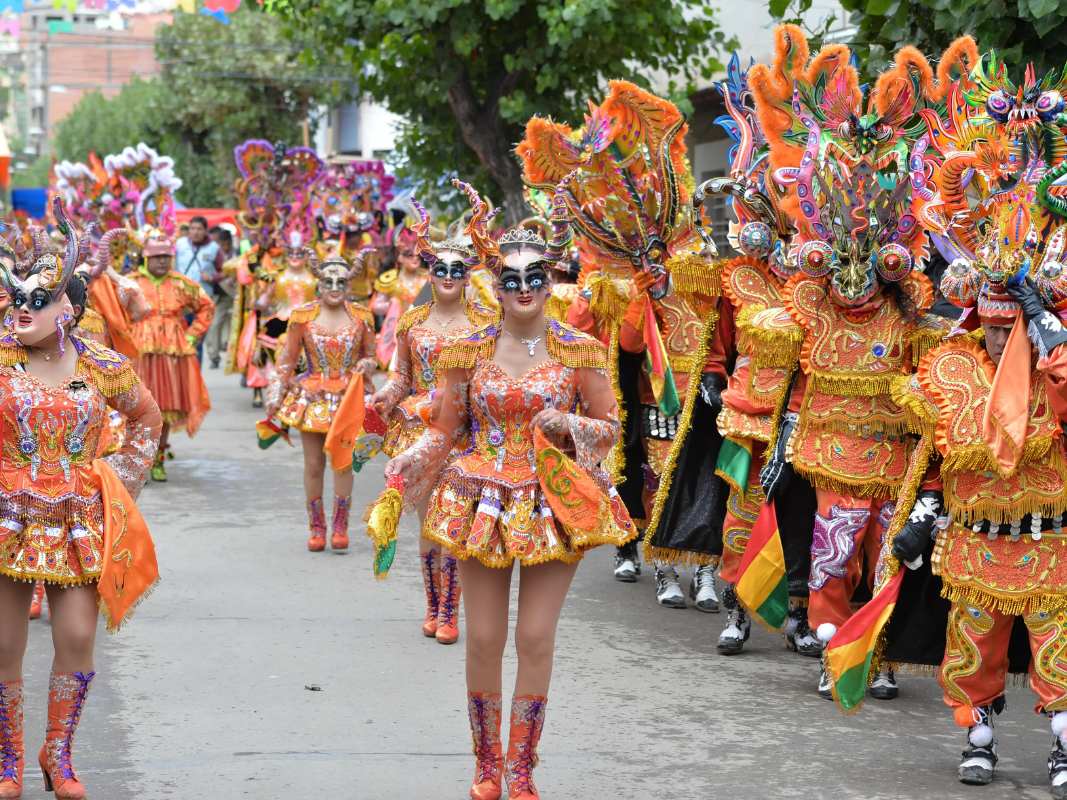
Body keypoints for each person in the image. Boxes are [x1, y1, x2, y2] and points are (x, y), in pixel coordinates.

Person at [385, 182, 636, 799]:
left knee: (534, 637)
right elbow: (444, 430)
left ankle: (522, 764)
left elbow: (609, 428)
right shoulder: (464, 351)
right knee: (485, 636)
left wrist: (567, 424)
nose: (523, 290)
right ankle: (486, 762)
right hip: (481, 501)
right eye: (511, 280)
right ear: (493, 287)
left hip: (554, 503)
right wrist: (404, 469)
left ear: (551, 284)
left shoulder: (582, 351)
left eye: (535, 279)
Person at [748, 25, 950, 699]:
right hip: (831, 453)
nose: (855, 278)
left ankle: (881, 652)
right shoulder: (809, 302)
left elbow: (944, 358)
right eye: (842, 263)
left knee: (885, 557)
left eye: (871, 265)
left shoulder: (908, 313)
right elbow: (767, 326)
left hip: (892, 458)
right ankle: (838, 651)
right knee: (833, 556)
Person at [0, 200, 161, 799]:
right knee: (3, 642)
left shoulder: (101, 365)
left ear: (68, 307)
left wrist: (116, 480)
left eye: (37, 299)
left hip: (78, 520)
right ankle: (7, 759)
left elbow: (146, 416)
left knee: (74, 638)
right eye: (16, 298)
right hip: (8, 516)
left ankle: (57, 754)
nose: (22, 308)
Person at [370, 190, 496, 644]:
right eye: (439, 269)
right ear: (429, 271)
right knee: (427, 521)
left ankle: (450, 611)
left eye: (456, 270)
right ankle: (431, 604)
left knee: (454, 520)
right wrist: (384, 395)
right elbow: (401, 375)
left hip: (466, 432)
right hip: (419, 428)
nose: (446, 276)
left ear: (467, 275)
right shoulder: (412, 322)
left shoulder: (487, 323)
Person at [266, 256, 376, 552]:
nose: (335, 287)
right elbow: (287, 360)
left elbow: (371, 356)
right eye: (329, 281)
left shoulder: (362, 317)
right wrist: (278, 390)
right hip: (313, 395)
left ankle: (340, 526)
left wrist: (366, 365)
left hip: (348, 398)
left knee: (342, 463)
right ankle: (317, 526)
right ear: (319, 283)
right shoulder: (302, 317)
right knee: (314, 465)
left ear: (350, 284)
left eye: (341, 282)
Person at [130, 232, 214, 482]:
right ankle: (135, 457)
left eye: (166, 256)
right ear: (146, 258)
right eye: (156, 257)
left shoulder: (182, 283)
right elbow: (112, 311)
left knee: (164, 407)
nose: (162, 261)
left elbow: (206, 306)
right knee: (135, 407)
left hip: (172, 354)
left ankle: (158, 459)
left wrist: (192, 335)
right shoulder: (130, 283)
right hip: (138, 352)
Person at [204, 226, 237, 369]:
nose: (224, 246)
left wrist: (216, 277)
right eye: (220, 243)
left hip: (237, 295)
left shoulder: (239, 253)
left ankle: (236, 357)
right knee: (215, 324)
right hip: (221, 295)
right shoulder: (214, 255)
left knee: (237, 325)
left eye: (226, 243)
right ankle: (214, 356)